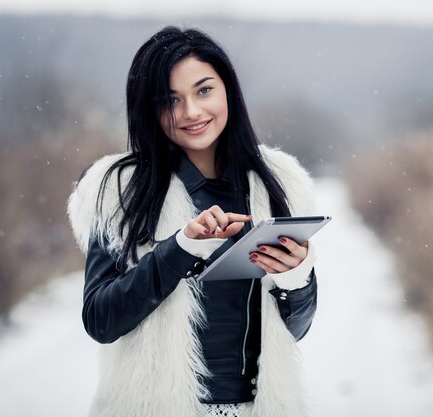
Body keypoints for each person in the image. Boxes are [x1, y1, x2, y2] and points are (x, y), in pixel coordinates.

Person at [67, 26, 318, 417]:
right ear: (147, 108)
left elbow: (295, 331)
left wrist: (296, 278)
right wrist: (179, 248)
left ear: (228, 91)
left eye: (204, 90)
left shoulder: (279, 182)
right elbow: (101, 319)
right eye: (170, 100)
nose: (191, 112)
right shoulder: (119, 188)